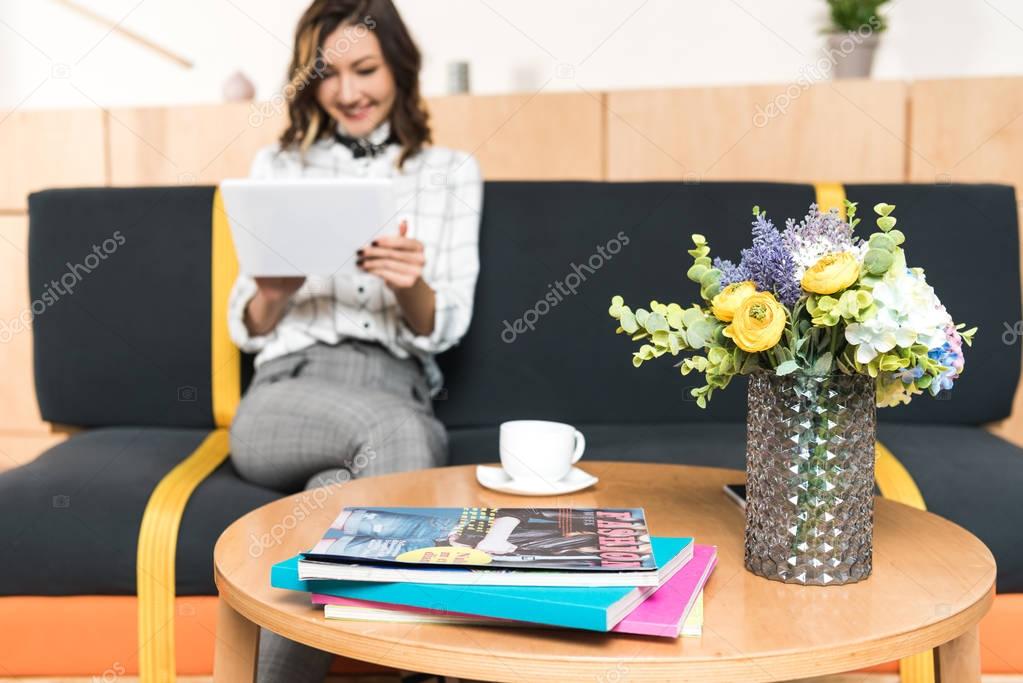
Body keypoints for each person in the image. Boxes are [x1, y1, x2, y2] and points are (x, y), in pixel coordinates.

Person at [226, 1, 482, 680]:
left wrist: (409, 284)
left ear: (398, 66)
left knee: (334, 495)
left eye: (364, 69)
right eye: (327, 75)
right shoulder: (278, 165)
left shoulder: (450, 172)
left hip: (392, 380)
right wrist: (274, 291)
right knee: (404, 437)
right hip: (289, 393)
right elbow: (242, 326)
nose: (347, 93)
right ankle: (430, 669)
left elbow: (444, 324)